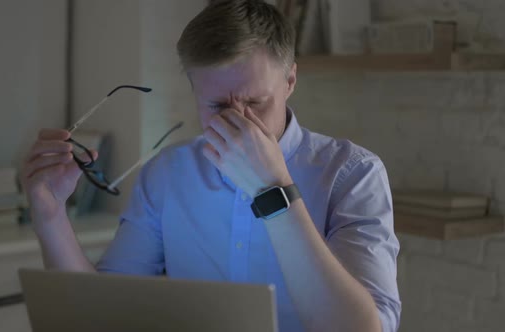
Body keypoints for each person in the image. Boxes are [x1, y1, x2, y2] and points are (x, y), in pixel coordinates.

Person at [22, 1, 401, 331]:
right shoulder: (167, 174)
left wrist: (272, 188)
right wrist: (50, 213)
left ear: (290, 80)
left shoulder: (354, 175)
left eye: (255, 103)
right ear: (193, 90)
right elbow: (100, 314)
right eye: (217, 107)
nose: (238, 123)